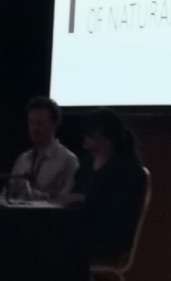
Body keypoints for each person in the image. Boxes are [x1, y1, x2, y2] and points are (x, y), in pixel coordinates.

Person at [63, 109, 147, 259]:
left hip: (106, 238)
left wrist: (83, 199)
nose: (84, 136)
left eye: (90, 133)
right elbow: (75, 192)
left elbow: (117, 211)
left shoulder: (127, 169)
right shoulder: (88, 163)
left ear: (106, 137)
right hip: (82, 230)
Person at [9, 96, 79, 200]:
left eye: (40, 123)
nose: (34, 128)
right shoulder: (23, 160)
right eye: (31, 123)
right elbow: (8, 195)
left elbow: (67, 200)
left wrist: (42, 196)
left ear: (54, 124)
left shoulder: (68, 160)